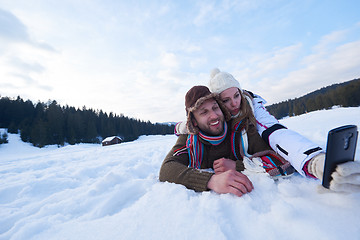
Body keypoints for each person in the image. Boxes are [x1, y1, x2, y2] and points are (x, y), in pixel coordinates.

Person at [175, 68, 360, 193]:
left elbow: (277, 134)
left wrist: (314, 161)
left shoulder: (252, 115)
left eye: (236, 95)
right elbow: (185, 131)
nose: (234, 103)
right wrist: (182, 128)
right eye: (225, 100)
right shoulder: (208, 126)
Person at [159, 85, 293, 197]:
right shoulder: (190, 139)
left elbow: (279, 160)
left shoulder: (241, 130)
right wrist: (211, 180)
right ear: (194, 121)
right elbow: (167, 169)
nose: (214, 115)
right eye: (204, 112)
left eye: (215, 107)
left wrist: (238, 166)